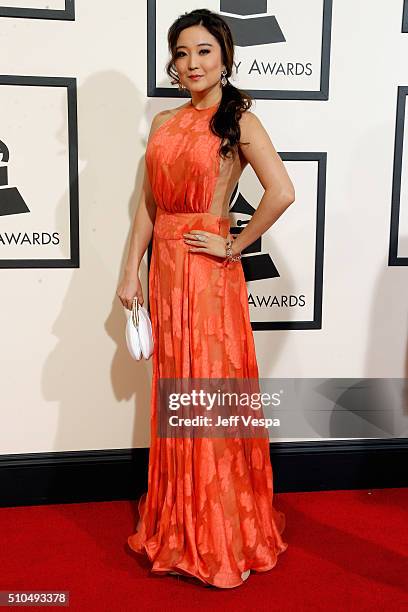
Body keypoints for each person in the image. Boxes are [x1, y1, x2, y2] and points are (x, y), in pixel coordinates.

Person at [117, 8, 295, 589]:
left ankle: (220, 532)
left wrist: (234, 245)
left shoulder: (237, 118)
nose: (191, 63)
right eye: (182, 53)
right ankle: (178, 520)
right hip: (166, 270)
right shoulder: (166, 121)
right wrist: (129, 271)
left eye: (203, 52)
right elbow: (149, 206)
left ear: (225, 57)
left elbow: (282, 190)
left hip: (208, 274)